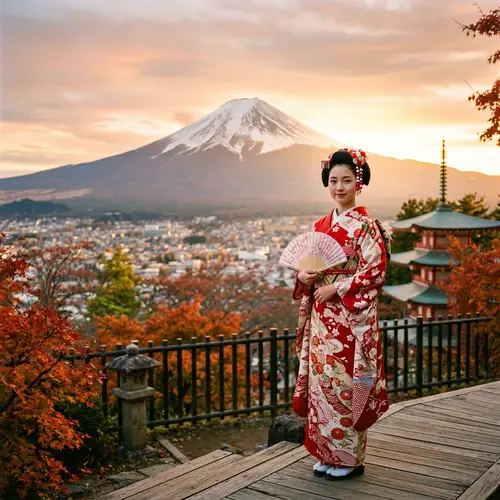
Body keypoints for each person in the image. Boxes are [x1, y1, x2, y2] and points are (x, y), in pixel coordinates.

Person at [291, 148, 389, 480]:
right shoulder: (321, 224)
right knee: (322, 386)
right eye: (333, 181)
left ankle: (350, 458)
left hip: (350, 320)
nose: (339, 187)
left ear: (359, 184)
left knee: (347, 386)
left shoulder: (365, 225)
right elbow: (309, 267)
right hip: (322, 320)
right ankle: (325, 452)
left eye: (346, 180)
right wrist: (304, 277)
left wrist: (337, 288)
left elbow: (376, 271)